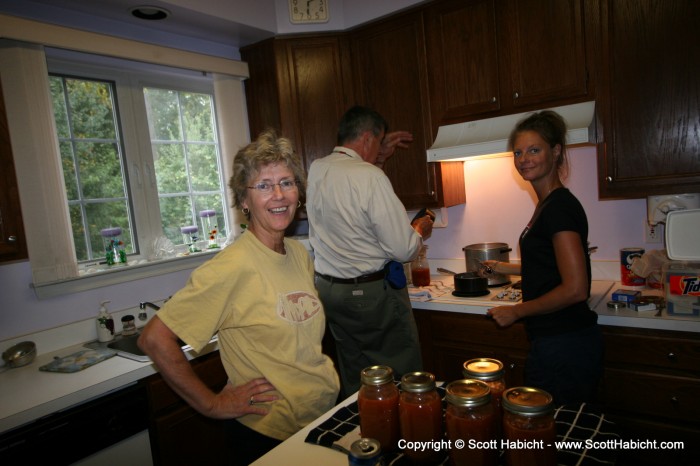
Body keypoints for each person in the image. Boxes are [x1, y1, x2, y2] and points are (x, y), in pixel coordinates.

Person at [138, 129, 339, 465]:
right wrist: (212, 404)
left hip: (320, 414)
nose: (278, 194)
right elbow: (155, 339)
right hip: (270, 433)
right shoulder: (231, 267)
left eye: (287, 182)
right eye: (263, 185)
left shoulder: (297, 253)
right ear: (244, 201)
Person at [306, 105, 434, 397]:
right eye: (379, 142)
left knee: (358, 377)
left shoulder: (317, 169)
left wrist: (379, 157)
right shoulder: (370, 177)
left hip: (331, 292)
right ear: (367, 138)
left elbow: (355, 199)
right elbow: (403, 250)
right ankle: (404, 439)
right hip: (370, 297)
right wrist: (419, 230)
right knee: (403, 379)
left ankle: (366, 438)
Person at [483, 110, 603, 406]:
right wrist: (503, 267)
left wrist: (517, 311)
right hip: (557, 340)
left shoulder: (558, 207)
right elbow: (549, 264)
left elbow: (576, 289)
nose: (524, 159)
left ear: (556, 151)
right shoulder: (548, 204)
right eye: (518, 152)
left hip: (564, 343)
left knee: (554, 436)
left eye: (534, 150)